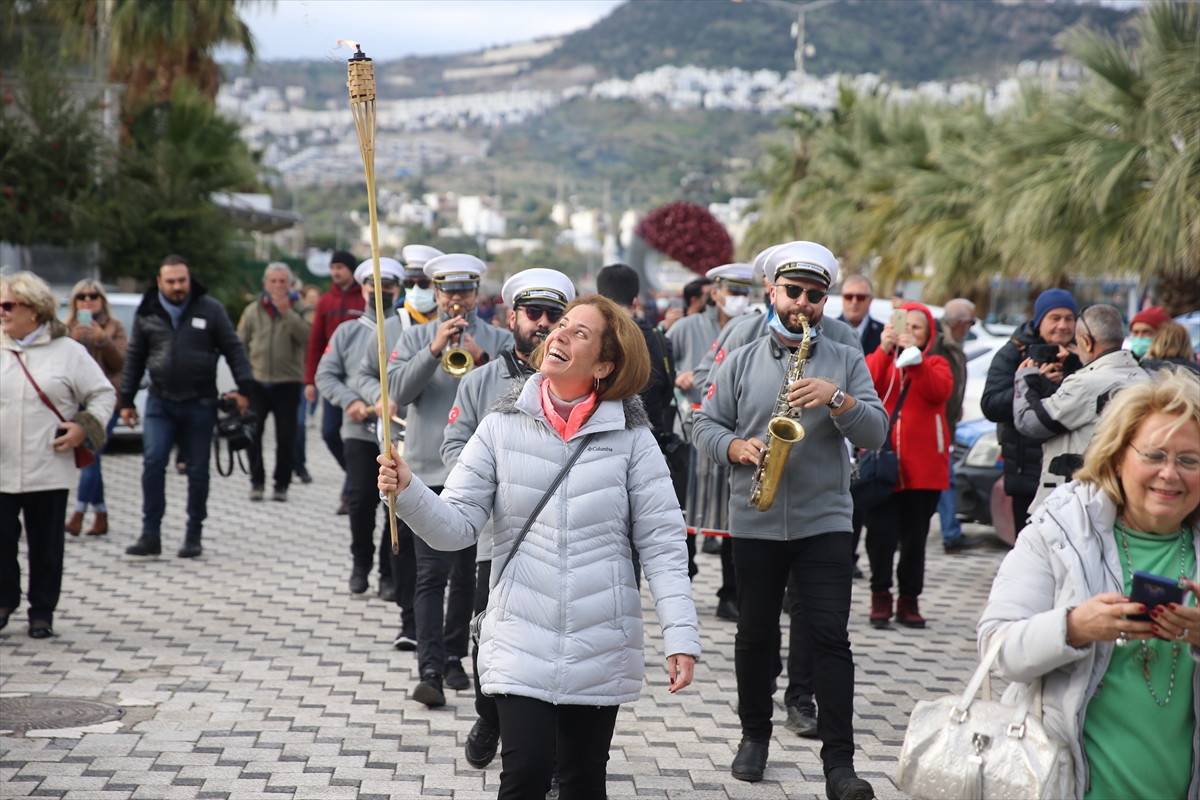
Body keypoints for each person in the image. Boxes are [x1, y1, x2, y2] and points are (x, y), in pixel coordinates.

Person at [378, 294, 700, 799]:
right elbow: (457, 528)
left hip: (600, 638)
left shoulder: (634, 440)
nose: (559, 335)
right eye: (561, 326)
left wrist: (682, 634)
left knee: (581, 783)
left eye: (579, 333)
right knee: (524, 777)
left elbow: (661, 545)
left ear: (605, 365)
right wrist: (410, 490)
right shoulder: (500, 425)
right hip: (519, 636)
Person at [692, 241, 888, 796]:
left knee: (830, 637)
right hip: (755, 519)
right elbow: (703, 423)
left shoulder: (845, 356)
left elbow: (876, 431)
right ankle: (754, 737)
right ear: (773, 293)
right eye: (795, 292)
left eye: (815, 295)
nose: (804, 303)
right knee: (754, 635)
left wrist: (839, 400)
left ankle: (840, 765)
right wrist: (735, 448)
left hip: (825, 520)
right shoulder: (741, 356)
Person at [977, 371, 1199, 800]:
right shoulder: (1058, 532)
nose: (1170, 474)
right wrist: (1073, 627)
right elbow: (996, 648)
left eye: (1189, 460)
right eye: (1154, 455)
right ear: (1118, 457)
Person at [440, 267, 576, 772]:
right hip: (498, 539)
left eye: (554, 315)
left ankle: (561, 757)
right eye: (533, 313)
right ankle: (490, 716)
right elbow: (453, 446)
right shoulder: (480, 383)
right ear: (512, 317)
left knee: (561, 644)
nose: (544, 324)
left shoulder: (586, 383)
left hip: (565, 541)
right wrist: (487, 482)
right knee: (489, 636)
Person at [385, 253, 513, 707]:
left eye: (464, 290)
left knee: (466, 576)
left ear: (477, 293)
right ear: (435, 292)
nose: (456, 299)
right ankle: (430, 669)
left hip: (477, 473)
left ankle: (457, 655)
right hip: (424, 472)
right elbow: (396, 394)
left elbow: (512, 399)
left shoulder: (500, 339)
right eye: (447, 290)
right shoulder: (416, 336)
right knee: (429, 575)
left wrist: (480, 358)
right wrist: (434, 349)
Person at [1, 271, 115, 638]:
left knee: (45, 543)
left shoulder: (68, 352)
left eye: (7, 305)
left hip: (48, 463)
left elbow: (103, 393)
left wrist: (85, 426)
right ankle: (4, 602)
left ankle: (42, 611)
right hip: (1, 465)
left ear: (34, 310)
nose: (0, 312)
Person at [121, 256, 254, 559]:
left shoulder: (211, 309)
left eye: (182, 280)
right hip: (160, 401)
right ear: (159, 282)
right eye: (171, 281)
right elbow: (134, 357)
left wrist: (245, 390)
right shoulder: (147, 311)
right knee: (153, 463)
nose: (178, 286)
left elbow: (234, 349)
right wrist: (126, 400)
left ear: (189, 279)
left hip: (200, 402)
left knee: (197, 470)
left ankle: (194, 535)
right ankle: (150, 534)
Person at [354, 245, 444, 640]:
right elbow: (363, 373)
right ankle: (410, 622)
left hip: (445, 441)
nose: (415, 290)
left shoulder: (455, 323)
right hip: (400, 438)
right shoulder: (391, 324)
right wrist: (378, 395)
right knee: (404, 533)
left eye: (423, 283)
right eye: (410, 283)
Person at [315, 258, 408, 602]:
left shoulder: (407, 330)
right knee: (361, 502)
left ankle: (387, 573)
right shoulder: (348, 331)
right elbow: (325, 374)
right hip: (359, 430)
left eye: (388, 286)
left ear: (397, 290)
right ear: (364, 288)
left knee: (393, 504)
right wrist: (350, 400)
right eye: (374, 285)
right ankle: (360, 565)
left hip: (397, 434)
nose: (381, 291)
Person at [596, 263, 689, 580]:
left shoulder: (595, 340)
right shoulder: (659, 340)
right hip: (647, 451)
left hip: (598, 449)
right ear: (636, 300)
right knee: (633, 541)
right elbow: (667, 393)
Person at [864, 302, 954, 629]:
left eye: (918, 328)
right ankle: (880, 595)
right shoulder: (883, 362)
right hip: (881, 470)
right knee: (880, 538)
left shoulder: (936, 362)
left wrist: (914, 359)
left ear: (929, 335)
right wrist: (884, 349)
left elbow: (939, 390)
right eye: (905, 325)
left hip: (923, 473)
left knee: (915, 541)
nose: (909, 332)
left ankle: (909, 599)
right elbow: (864, 383)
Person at [1014, 304, 1151, 509]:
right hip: (1127, 492)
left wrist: (1026, 380)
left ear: (1086, 342)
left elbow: (1030, 422)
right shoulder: (1145, 378)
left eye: (1077, 343)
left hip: (1079, 499)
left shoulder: (1085, 384)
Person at [982, 287, 1081, 529]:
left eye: (1069, 319)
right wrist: (1034, 384)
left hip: (1076, 474)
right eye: (1054, 318)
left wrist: (1076, 366)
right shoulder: (1014, 352)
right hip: (1027, 471)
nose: (1062, 326)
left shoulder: (1084, 353)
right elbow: (991, 405)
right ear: (1039, 321)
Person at [237, 262, 314, 503]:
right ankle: (256, 482)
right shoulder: (253, 310)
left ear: (291, 285)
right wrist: (243, 379)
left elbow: (308, 338)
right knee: (253, 433)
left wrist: (286, 312)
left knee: (286, 438)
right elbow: (240, 344)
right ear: (265, 284)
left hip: (288, 383)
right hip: (258, 382)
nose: (278, 286)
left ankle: (281, 485)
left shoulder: (302, 309)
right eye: (274, 281)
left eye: (283, 281)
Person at [64, 279, 128, 537]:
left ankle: (78, 513)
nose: (87, 300)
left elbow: (121, 363)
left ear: (102, 300)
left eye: (93, 296)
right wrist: (72, 339)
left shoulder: (115, 327)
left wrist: (103, 340)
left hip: (104, 402)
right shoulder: (66, 328)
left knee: (92, 457)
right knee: (93, 461)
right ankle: (100, 514)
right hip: (74, 403)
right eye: (81, 296)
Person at [304, 251, 364, 514]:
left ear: (351, 270)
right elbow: (316, 342)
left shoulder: (364, 298)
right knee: (329, 433)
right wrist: (309, 381)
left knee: (356, 438)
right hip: (331, 381)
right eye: (333, 267)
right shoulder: (325, 301)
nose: (335, 272)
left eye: (340, 267)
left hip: (360, 381)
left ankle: (351, 491)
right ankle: (356, 475)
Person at [930, 298, 985, 554]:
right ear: (962, 323)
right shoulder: (936, 343)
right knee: (944, 480)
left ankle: (951, 532)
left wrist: (956, 406)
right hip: (934, 427)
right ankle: (951, 534)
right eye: (971, 323)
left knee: (944, 480)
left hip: (946, 424)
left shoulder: (953, 344)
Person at [838, 275, 884, 355]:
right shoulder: (827, 331)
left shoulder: (882, 334)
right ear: (842, 298)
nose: (854, 301)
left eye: (860, 297)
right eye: (849, 297)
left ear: (870, 300)